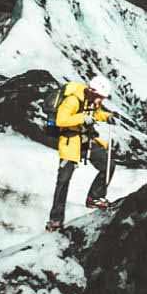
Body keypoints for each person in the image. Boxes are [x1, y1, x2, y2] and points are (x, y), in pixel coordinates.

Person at [46, 74, 115, 231]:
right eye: (100, 98)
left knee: (108, 164)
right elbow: (61, 120)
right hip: (70, 141)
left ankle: (94, 197)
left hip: (85, 140)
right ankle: (55, 220)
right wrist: (82, 118)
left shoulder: (90, 100)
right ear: (92, 92)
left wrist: (107, 116)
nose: (101, 101)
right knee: (63, 180)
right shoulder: (73, 99)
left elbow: (95, 114)